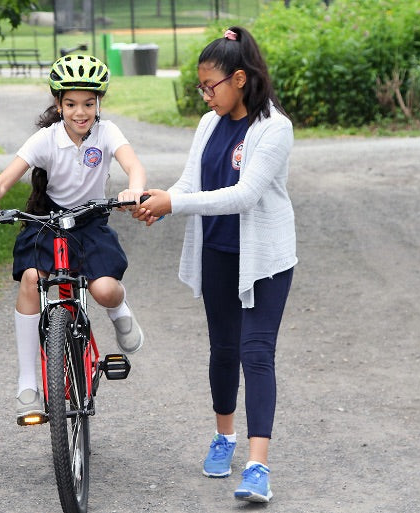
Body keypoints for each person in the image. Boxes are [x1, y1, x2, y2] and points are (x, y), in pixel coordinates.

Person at [134, 26, 296, 503]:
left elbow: (245, 195)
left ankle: (258, 466)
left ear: (240, 79)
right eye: (201, 87)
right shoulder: (208, 124)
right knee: (224, 350)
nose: (205, 95)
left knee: (256, 351)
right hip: (218, 254)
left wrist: (175, 205)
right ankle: (224, 437)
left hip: (265, 259)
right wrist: (155, 200)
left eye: (211, 86)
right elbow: (189, 182)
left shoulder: (274, 128)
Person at [0, 54, 147, 423]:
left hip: (91, 219)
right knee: (32, 278)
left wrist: (134, 188)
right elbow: (2, 180)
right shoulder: (46, 139)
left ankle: (120, 312)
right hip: (49, 220)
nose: (80, 112)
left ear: (99, 103)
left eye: (88, 103)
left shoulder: (107, 132)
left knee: (104, 290)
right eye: (70, 104)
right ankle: (27, 385)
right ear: (58, 104)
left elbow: (133, 164)